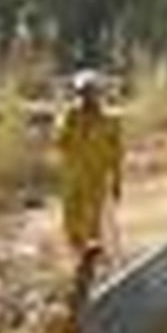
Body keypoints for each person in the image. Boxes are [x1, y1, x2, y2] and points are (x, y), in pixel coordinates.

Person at [54, 71, 124, 308]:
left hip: (96, 181)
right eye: (83, 93)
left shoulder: (109, 122)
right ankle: (77, 268)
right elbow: (59, 142)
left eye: (91, 93)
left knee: (92, 228)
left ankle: (91, 268)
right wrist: (70, 118)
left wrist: (116, 181)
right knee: (72, 224)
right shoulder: (70, 117)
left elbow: (116, 155)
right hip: (73, 180)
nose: (87, 98)